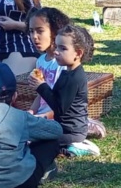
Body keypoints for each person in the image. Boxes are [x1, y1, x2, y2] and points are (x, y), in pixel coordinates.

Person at [36, 24, 99, 156]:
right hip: (62, 127)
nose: (56, 51)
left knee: (38, 143)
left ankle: (78, 148)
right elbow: (56, 95)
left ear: (78, 53)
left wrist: (41, 86)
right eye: (56, 46)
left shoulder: (75, 78)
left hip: (72, 132)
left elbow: (59, 107)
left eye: (63, 48)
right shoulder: (67, 72)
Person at [26, 6, 71, 118]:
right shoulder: (40, 61)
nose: (34, 36)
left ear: (55, 31)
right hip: (41, 116)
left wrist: (43, 116)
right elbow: (40, 95)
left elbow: (65, 104)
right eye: (31, 31)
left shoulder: (63, 63)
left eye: (40, 31)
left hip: (57, 117)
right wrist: (30, 112)